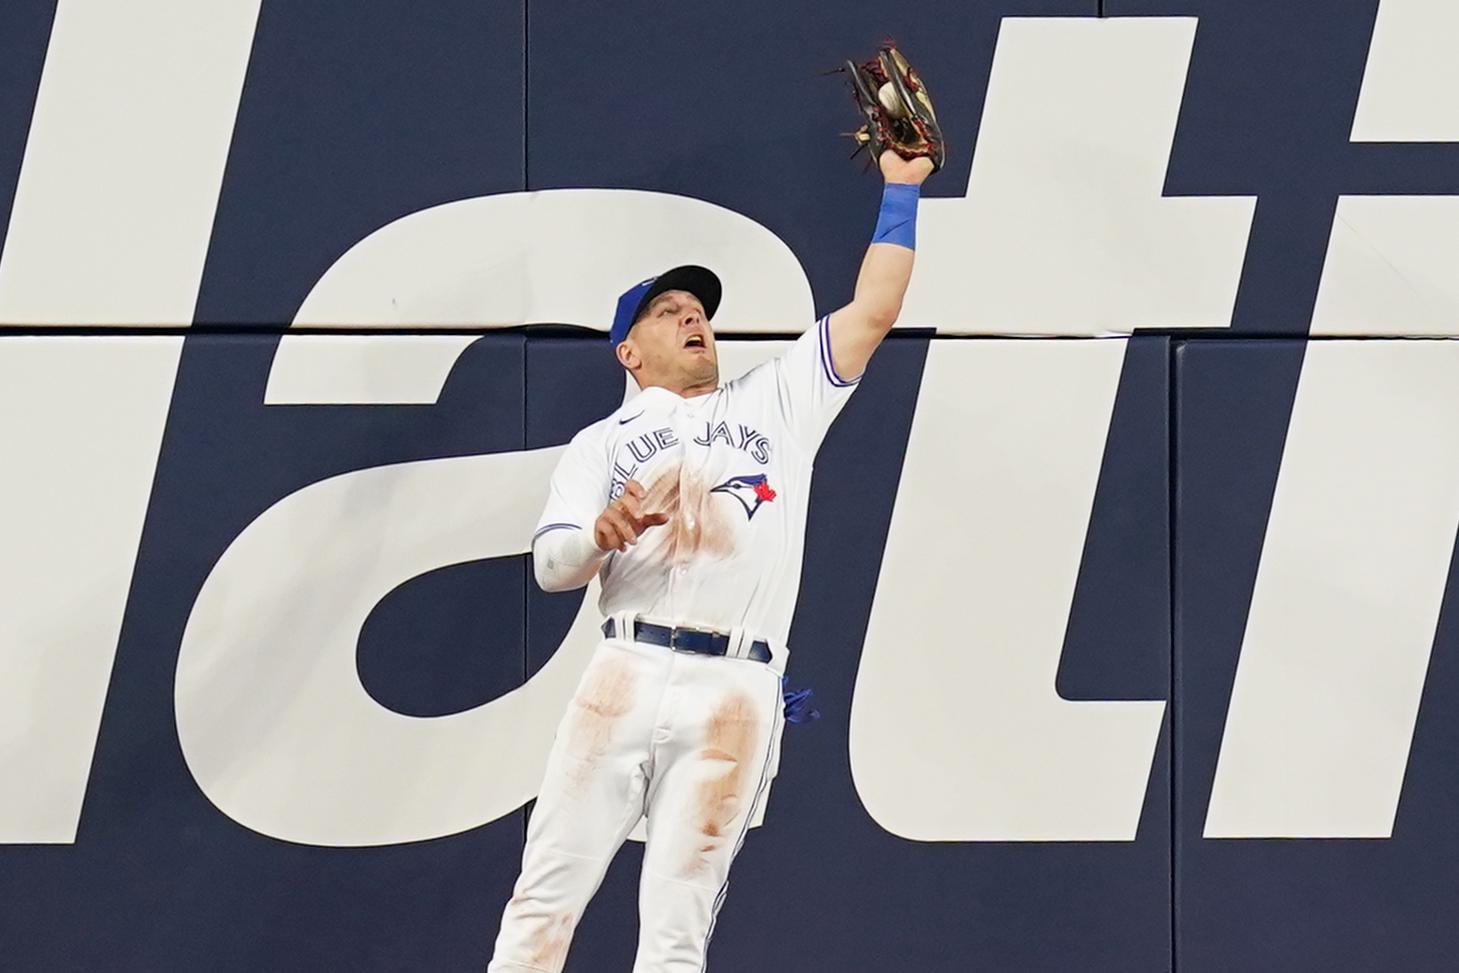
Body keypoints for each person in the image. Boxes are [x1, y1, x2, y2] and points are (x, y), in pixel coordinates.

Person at [488, 149, 935, 972]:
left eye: (699, 308)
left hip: (735, 687)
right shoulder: (601, 444)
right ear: (629, 349)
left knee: (675, 934)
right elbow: (552, 565)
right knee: (543, 903)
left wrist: (900, 190)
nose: (695, 318)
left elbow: (873, 310)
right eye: (669, 311)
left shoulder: (776, 402)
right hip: (623, 669)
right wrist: (601, 533)